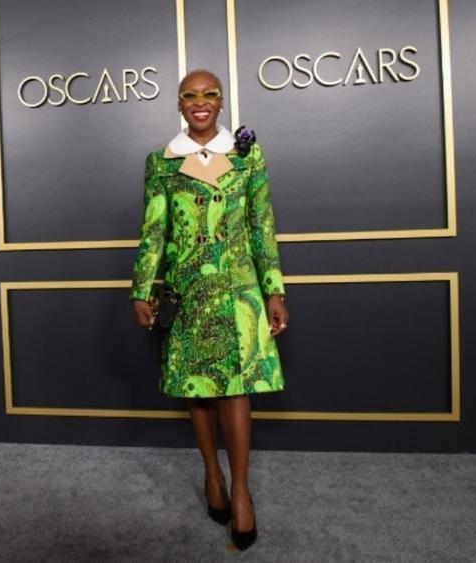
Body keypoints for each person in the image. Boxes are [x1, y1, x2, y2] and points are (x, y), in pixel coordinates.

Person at [129, 69, 289, 550]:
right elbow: (154, 232)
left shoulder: (246, 155)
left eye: (209, 94)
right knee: (196, 390)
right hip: (187, 290)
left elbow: (261, 225)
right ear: (179, 105)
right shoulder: (161, 162)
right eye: (190, 96)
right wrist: (141, 290)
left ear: (221, 103)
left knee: (235, 390)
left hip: (239, 290)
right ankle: (211, 474)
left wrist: (274, 291)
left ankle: (240, 491)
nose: (200, 102)